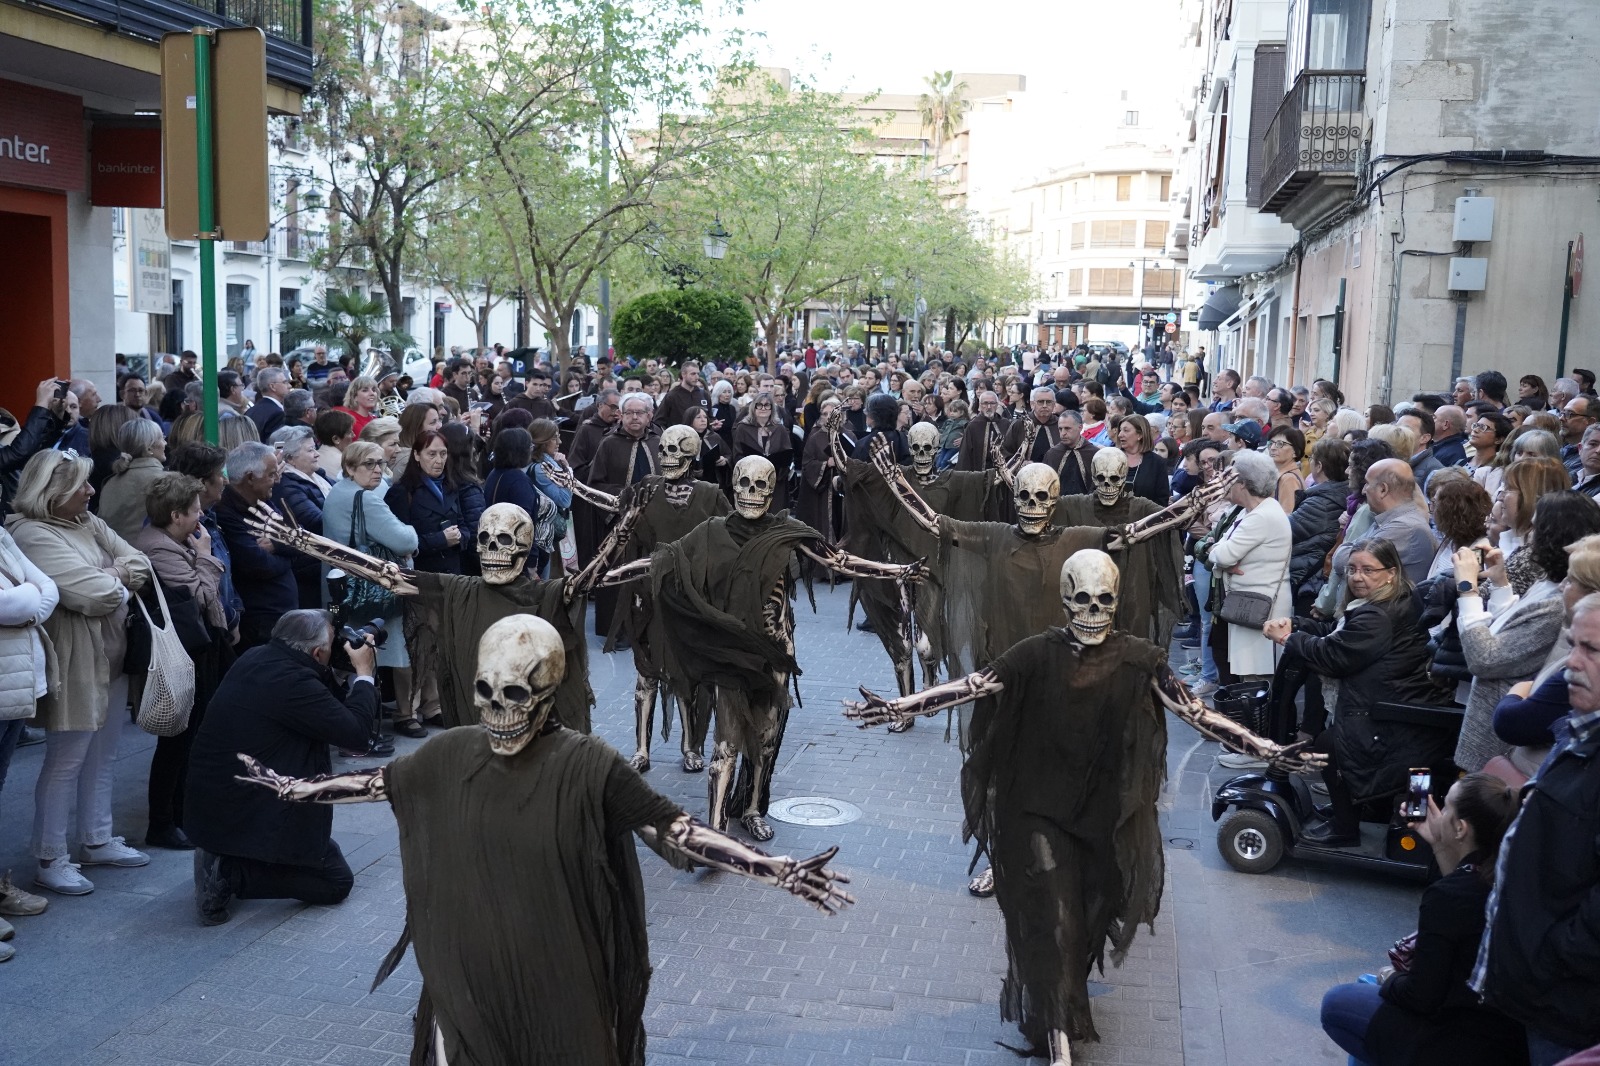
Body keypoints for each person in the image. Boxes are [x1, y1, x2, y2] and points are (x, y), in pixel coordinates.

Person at [9, 450, 153, 894]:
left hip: (110, 653)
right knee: (66, 760)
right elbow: (97, 596)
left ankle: (98, 838)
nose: (92, 492)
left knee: (104, 754)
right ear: (52, 493)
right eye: (81, 486)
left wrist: (110, 575)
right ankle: (50, 857)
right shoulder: (32, 533)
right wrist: (112, 576)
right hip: (73, 659)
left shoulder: (85, 522)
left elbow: (139, 562)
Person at [187, 610, 380, 925]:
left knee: (318, 853)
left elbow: (325, 707)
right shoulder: (293, 682)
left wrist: (338, 671)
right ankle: (230, 872)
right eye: (335, 642)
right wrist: (364, 672)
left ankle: (226, 855)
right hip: (248, 808)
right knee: (335, 881)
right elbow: (357, 736)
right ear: (317, 652)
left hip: (224, 801)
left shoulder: (259, 657)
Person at [1319, 773, 1525, 1066]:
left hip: (1458, 1039)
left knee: (1338, 1003)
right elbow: (1462, 889)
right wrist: (1439, 843)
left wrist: (1388, 978)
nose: (1438, 811)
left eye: (1446, 807)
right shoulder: (1511, 876)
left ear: (1461, 828)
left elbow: (1421, 996)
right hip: (1506, 1034)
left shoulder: (1449, 897)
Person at [1473, 592, 1600, 1064]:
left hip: (1566, 1012)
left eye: (1591, 650)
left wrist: (1545, 959)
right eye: (1573, 646)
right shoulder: (1577, 731)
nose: (1572, 664)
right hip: (1536, 997)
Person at [1263, 537, 1438, 844]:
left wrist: (1288, 639)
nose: (1358, 577)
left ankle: (1346, 828)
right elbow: (1337, 634)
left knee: (1329, 746)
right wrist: (1296, 625)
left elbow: (1334, 657)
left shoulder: (1377, 615)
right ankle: (1356, 812)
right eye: (1353, 569)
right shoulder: (1384, 603)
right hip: (1397, 703)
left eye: (1368, 570)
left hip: (1393, 712)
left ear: (1391, 573)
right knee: (1330, 741)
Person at [1454, 491, 1600, 772]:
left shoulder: (1558, 606)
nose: (1529, 536)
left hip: (1501, 758)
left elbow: (1485, 658)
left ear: (1553, 534)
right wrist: (1500, 584)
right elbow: (1510, 632)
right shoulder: (1551, 583)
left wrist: (1467, 589)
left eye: (1536, 528)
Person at [132, 473, 236, 851]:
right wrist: (206, 556)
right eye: (195, 511)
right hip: (183, 651)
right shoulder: (160, 549)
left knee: (192, 736)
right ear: (176, 515)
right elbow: (203, 599)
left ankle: (183, 814)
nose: (200, 518)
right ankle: (164, 821)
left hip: (198, 647)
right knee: (178, 739)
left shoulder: (172, 541)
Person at [0, 517, 58, 949]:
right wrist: (27, 599)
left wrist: (26, 600)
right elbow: (14, 606)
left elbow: (48, 589)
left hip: (15, 685)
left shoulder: (1, 535)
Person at [214, 442, 300, 650]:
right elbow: (258, 564)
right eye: (271, 475)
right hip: (261, 620)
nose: (276, 480)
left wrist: (277, 545)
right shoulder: (227, 512)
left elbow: (299, 536)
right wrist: (289, 550)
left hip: (281, 612)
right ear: (250, 478)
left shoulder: (261, 500)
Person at [271, 426, 332, 608]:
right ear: (290, 458)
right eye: (310, 450)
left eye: (315, 448)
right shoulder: (286, 485)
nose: (317, 454)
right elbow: (316, 521)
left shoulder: (318, 476)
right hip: (310, 567)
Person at [95, 419, 167, 542]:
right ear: (149, 448)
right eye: (162, 438)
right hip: (148, 556)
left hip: (110, 555)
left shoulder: (109, 483)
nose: (165, 443)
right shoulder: (166, 481)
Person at [1113, 413, 1169, 505]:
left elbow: (1162, 500)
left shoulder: (1157, 463)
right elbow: (1095, 491)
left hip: (1144, 517)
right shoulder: (1110, 457)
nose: (1120, 435)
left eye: (1126, 431)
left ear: (1140, 435)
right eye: (1120, 430)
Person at [1266, 425, 1307, 511]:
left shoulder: (1288, 478)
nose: (1273, 448)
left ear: (1295, 452)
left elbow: (1287, 516)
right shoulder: (1284, 474)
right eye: (1271, 443)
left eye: (1280, 444)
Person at [246, 367, 290, 439]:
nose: (289, 386)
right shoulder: (277, 414)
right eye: (285, 382)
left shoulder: (251, 411)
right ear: (272, 386)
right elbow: (276, 444)